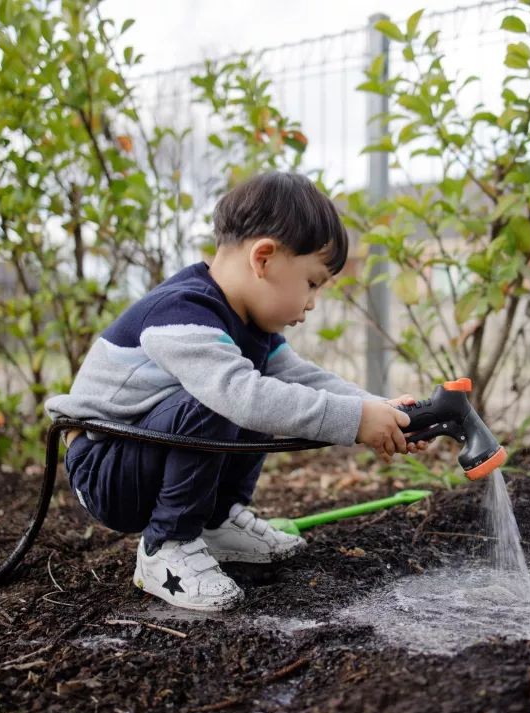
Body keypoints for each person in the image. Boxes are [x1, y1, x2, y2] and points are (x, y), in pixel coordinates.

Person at [45, 171, 428, 611]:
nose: (311, 303)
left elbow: (302, 378)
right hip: (105, 469)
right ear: (263, 258)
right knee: (231, 397)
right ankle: (165, 548)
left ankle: (216, 522)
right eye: (312, 282)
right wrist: (355, 422)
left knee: (259, 391)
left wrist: (375, 409)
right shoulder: (182, 313)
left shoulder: (248, 324)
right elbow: (240, 396)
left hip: (142, 451)